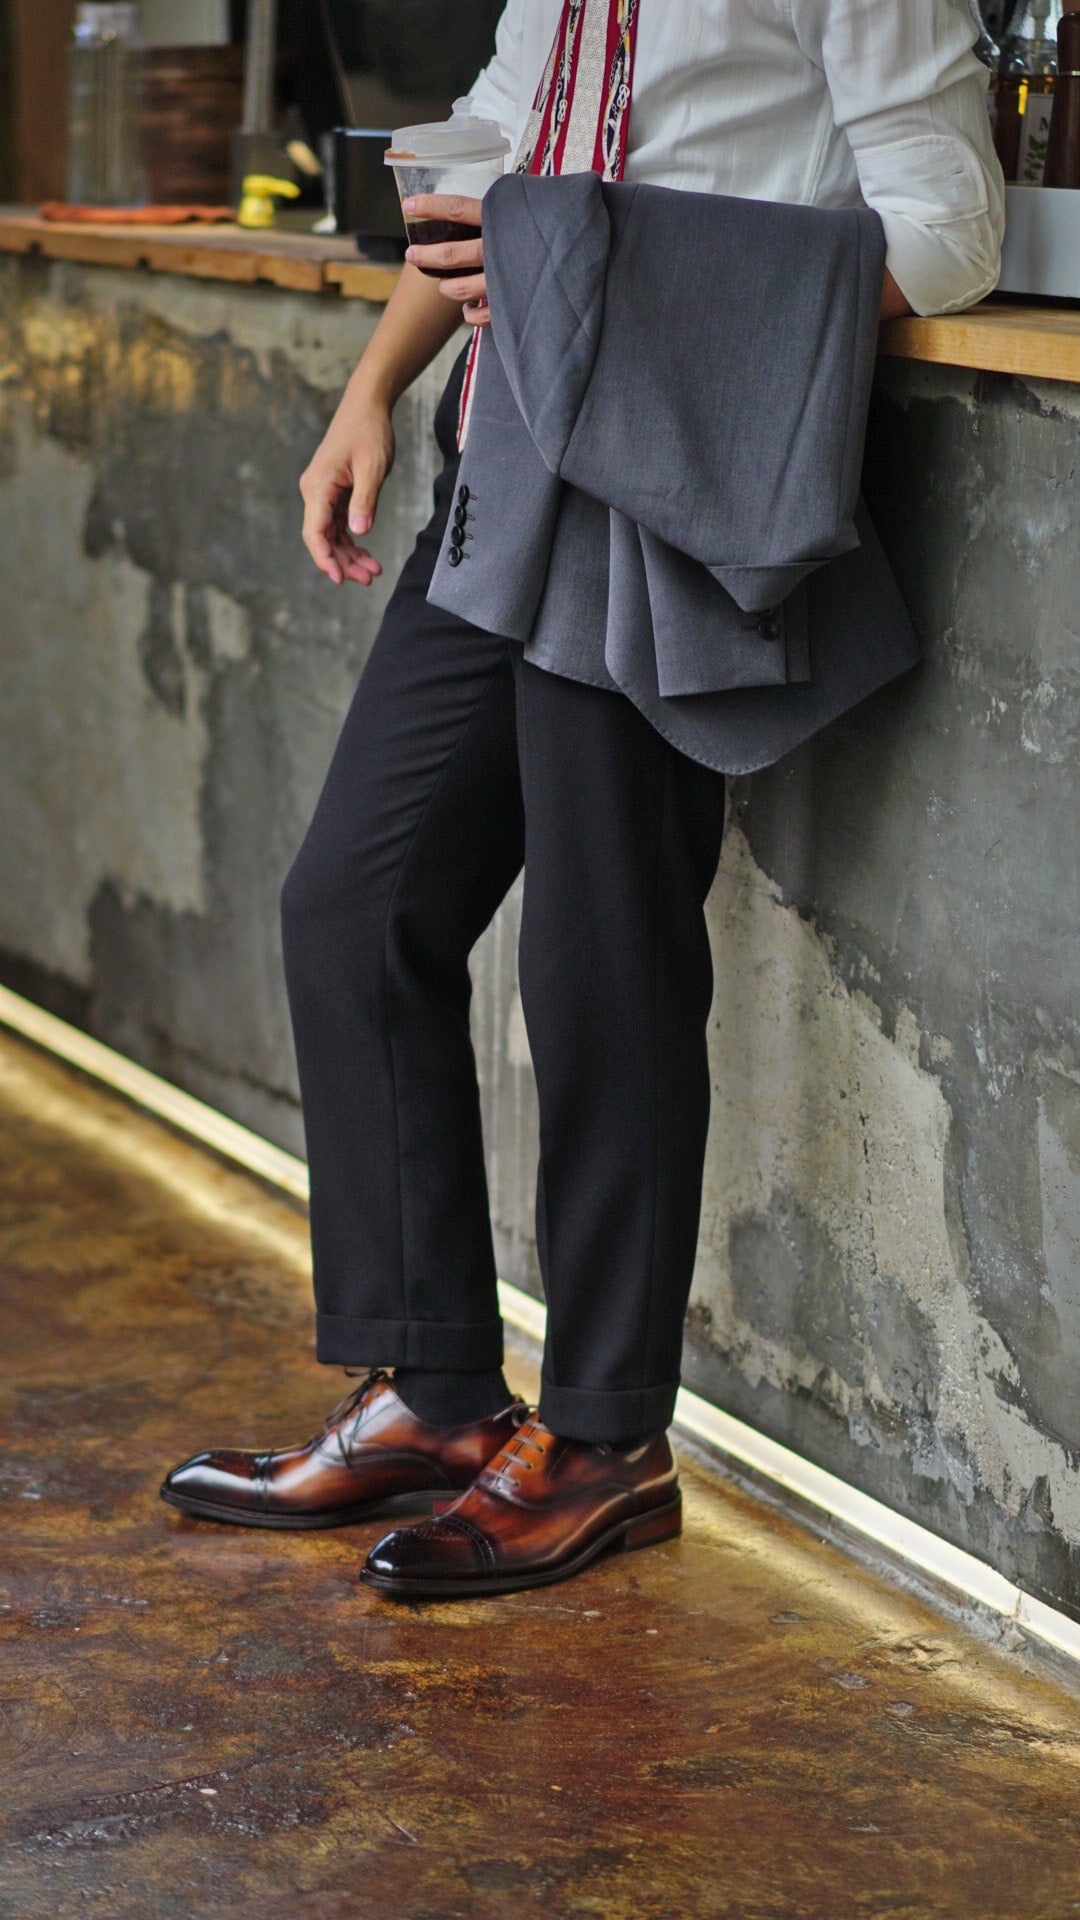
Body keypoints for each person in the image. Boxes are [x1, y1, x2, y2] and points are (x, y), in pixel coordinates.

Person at [162, 0, 1003, 1599]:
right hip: (503, 469)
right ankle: (433, 1390)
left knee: (599, 961)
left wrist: (639, 287)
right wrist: (375, 391)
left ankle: (609, 1442)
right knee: (357, 900)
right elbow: (496, 158)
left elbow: (950, 225)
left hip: (663, 486)